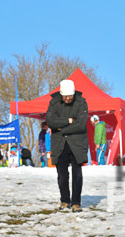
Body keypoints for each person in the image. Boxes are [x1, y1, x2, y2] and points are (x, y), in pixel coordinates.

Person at [45, 79, 89, 212]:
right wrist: (68, 121)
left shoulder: (81, 103)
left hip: (77, 142)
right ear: (61, 94)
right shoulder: (54, 102)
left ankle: (76, 202)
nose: (68, 98)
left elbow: (81, 124)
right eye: (66, 96)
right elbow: (50, 121)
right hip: (59, 143)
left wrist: (61, 129)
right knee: (62, 175)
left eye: (70, 96)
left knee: (77, 174)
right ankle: (65, 200)